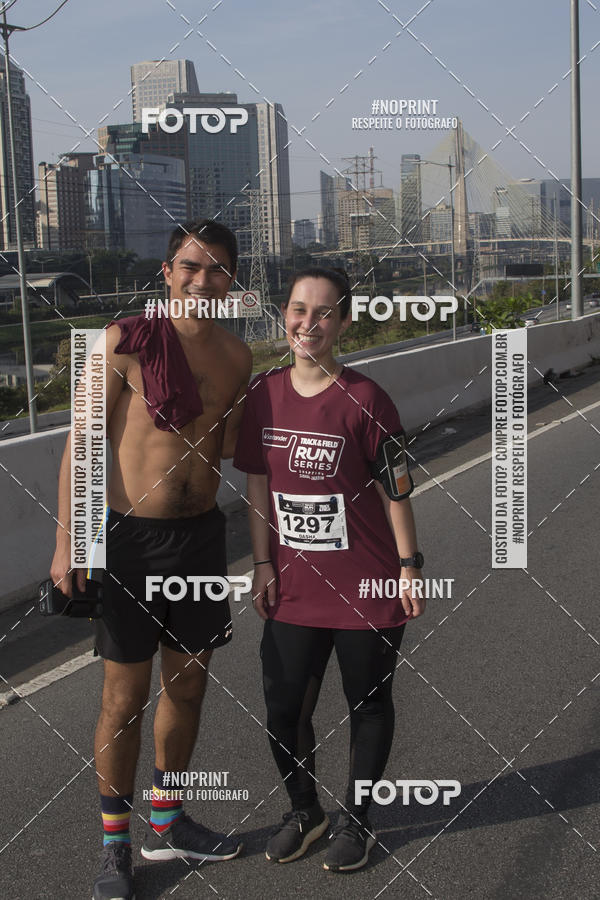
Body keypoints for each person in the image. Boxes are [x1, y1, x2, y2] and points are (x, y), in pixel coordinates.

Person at [50, 219, 252, 900]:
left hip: (200, 540)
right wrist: (70, 544)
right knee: (123, 699)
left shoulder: (237, 355)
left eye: (218, 268)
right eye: (191, 267)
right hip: (131, 542)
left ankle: (168, 819)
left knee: (189, 685)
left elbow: (227, 446)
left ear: (231, 280)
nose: (203, 279)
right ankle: (115, 845)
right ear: (167, 273)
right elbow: (82, 445)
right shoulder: (125, 341)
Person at [233, 267, 426, 873]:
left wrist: (408, 566)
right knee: (285, 708)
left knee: (367, 704)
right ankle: (305, 812)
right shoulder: (263, 394)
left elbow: (397, 489)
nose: (307, 324)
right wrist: (262, 563)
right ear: (283, 315)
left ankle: (358, 820)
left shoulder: (367, 400)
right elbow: (258, 485)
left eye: (322, 313)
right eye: (297, 310)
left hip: (366, 585)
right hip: (293, 584)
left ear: (343, 322)